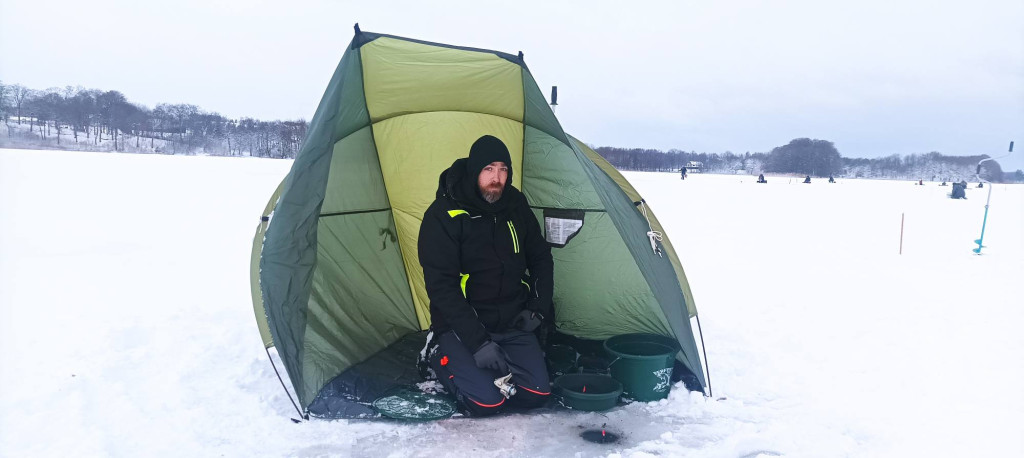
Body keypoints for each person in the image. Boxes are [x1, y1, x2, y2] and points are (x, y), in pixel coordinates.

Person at [418, 135, 554, 417]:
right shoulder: (444, 215)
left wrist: (537, 309)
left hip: (511, 321)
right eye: (489, 169)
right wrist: (478, 342)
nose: (497, 178)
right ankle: (436, 355)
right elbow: (441, 287)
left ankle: (500, 361)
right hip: (463, 326)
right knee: (486, 403)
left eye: (503, 169)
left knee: (537, 393)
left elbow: (541, 257)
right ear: (474, 171)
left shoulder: (515, 205)